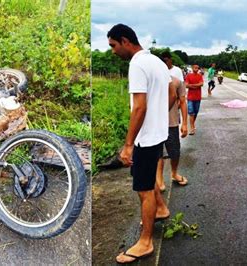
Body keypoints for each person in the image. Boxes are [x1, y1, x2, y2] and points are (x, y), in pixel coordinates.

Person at [107, 24, 176, 264]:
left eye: (113, 46)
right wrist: (160, 117)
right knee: (146, 179)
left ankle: (145, 242)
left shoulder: (136, 64)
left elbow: (139, 106)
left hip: (145, 139)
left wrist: (128, 145)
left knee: (143, 189)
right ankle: (161, 209)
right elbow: (171, 94)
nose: (113, 51)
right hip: (157, 133)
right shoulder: (157, 61)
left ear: (125, 41)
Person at [156, 51, 189, 192]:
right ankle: (159, 178)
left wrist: (185, 124)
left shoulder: (177, 82)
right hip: (156, 123)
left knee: (174, 152)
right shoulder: (153, 82)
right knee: (158, 153)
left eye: (166, 62)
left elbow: (182, 102)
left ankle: (174, 173)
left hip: (172, 122)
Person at [185, 64, 204, 135]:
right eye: (195, 68)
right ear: (192, 68)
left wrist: (191, 85)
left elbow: (201, 84)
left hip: (198, 97)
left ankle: (193, 124)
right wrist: (196, 85)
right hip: (190, 97)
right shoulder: (189, 75)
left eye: (197, 68)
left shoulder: (199, 76)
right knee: (191, 112)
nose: (196, 69)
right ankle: (192, 128)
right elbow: (186, 85)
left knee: (196, 112)